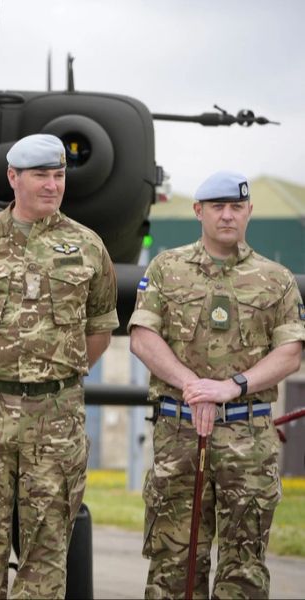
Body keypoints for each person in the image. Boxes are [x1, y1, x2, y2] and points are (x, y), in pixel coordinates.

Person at [0, 133, 118, 598]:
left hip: (55, 418)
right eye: (41, 175)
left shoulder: (88, 247)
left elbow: (99, 330)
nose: (52, 185)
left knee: (48, 548)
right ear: (13, 177)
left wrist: (50, 374)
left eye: (58, 176)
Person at [128, 170, 305, 599]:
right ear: (198, 211)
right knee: (174, 561)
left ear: (248, 212)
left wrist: (232, 387)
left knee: (244, 565)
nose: (227, 216)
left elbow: (290, 351)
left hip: (248, 437)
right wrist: (193, 385)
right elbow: (142, 337)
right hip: (181, 432)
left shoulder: (276, 279)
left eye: (236, 207)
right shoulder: (166, 269)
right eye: (217, 207)